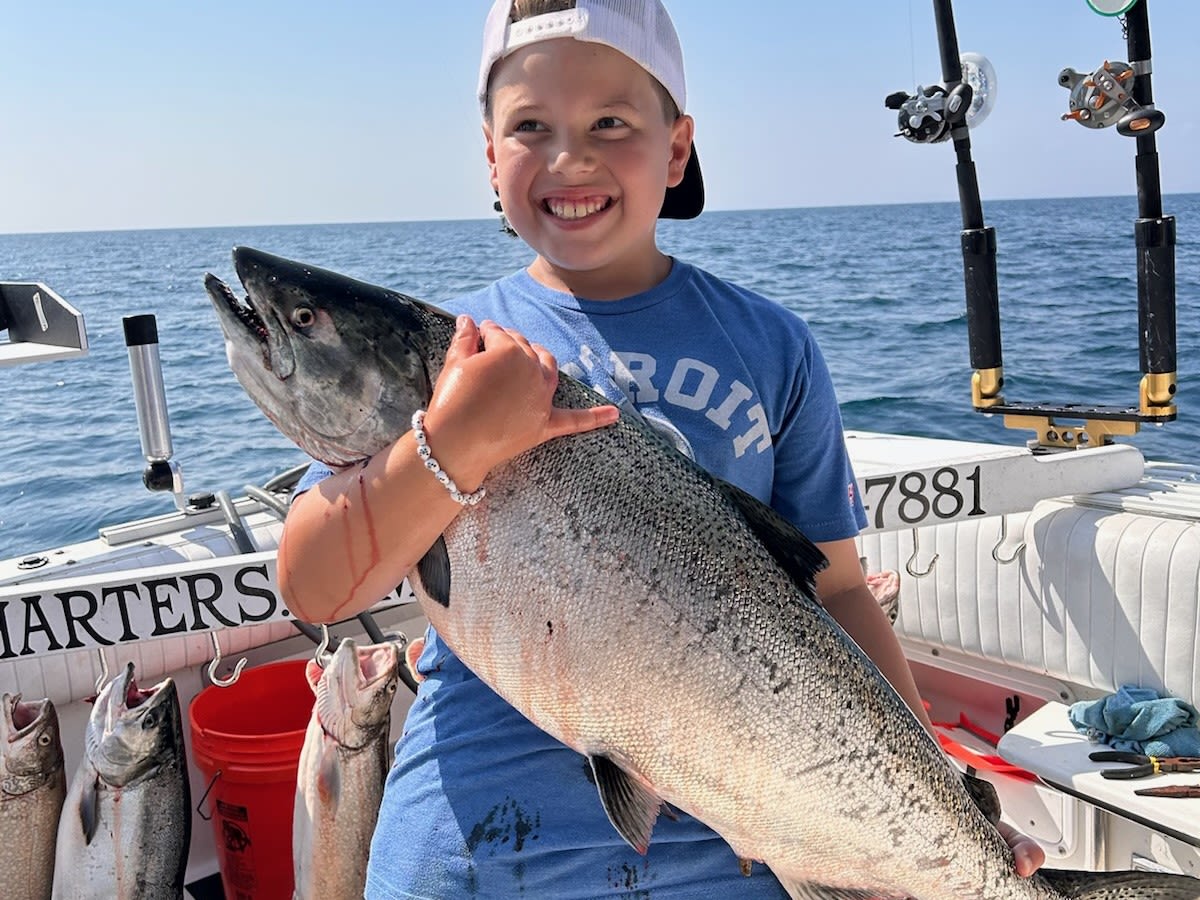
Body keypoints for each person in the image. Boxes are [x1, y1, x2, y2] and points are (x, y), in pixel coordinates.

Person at [278, 0, 1047, 896]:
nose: (571, 156)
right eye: (532, 126)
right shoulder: (455, 356)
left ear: (676, 147)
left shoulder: (773, 344)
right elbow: (317, 588)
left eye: (611, 121)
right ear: (490, 156)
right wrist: (449, 441)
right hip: (471, 848)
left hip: (742, 837)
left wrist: (940, 799)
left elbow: (835, 590)